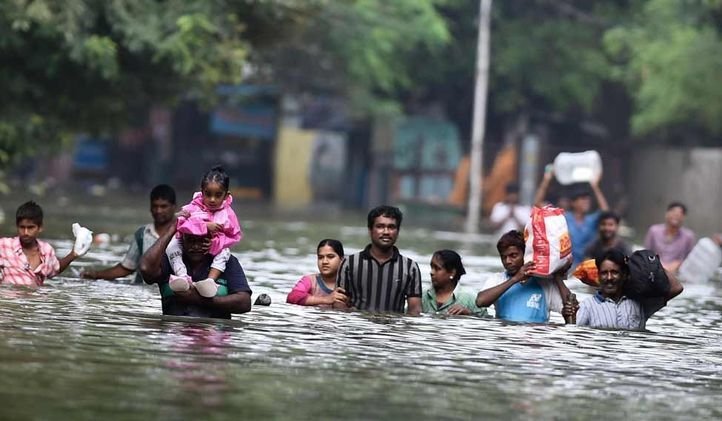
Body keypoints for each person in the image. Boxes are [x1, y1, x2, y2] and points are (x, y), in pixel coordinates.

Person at [139, 215, 252, 319]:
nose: (196, 246)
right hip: (175, 335)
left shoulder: (227, 261)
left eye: (202, 240)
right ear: (182, 239)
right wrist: (172, 229)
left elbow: (244, 303)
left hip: (213, 337)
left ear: (211, 239)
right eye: (191, 240)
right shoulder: (171, 259)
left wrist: (198, 299)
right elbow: (145, 269)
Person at [334, 205, 422, 315]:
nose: (386, 232)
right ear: (370, 230)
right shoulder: (349, 264)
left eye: (391, 227)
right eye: (380, 226)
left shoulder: (410, 268)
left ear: (398, 231)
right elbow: (339, 304)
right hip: (357, 329)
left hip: (393, 330)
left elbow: (414, 311)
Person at [565, 249, 683, 330]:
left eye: (615, 272)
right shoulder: (588, 306)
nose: (609, 278)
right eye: (604, 273)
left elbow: (677, 288)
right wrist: (569, 318)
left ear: (624, 275)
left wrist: (652, 264)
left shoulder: (640, 303)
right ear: (599, 276)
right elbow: (574, 333)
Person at [167, 166, 242, 292]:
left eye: (218, 195)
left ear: (226, 195)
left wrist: (216, 243)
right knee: (171, 246)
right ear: (202, 192)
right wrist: (203, 225)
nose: (212, 199)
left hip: (213, 247)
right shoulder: (193, 207)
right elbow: (178, 222)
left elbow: (234, 236)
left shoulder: (228, 214)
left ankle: (210, 281)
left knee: (225, 252)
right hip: (188, 244)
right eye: (208, 194)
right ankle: (182, 276)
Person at [82, 184, 177, 283]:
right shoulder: (142, 234)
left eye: (163, 206)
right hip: (142, 292)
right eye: (155, 206)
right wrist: (96, 275)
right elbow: (127, 268)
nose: (158, 211)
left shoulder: (183, 232)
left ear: (173, 207)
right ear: (150, 207)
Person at [476, 230, 571, 323]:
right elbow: (480, 301)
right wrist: (515, 279)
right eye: (503, 257)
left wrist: (558, 277)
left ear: (526, 255)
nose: (507, 261)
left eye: (513, 255)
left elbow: (572, 312)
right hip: (505, 336)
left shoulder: (545, 284)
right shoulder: (498, 279)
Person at [535, 167, 609, 267]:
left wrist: (595, 187)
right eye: (582, 199)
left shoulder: (591, 220)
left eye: (588, 200)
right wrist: (546, 180)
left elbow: (606, 212)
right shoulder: (563, 217)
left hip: (587, 268)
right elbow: (538, 205)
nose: (586, 202)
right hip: (565, 268)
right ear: (573, 203)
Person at [0, 201, 83, 286]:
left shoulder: (46, 250)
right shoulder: (5, 245)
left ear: (40, 228)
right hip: (9, 298)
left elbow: (55, 268)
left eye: (30, 227)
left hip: (37, 297)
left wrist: (73, 254)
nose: (25, 232)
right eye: (22, 227)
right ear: (17, 227)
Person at [422, 250, 486, 316]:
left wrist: (469, 314)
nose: (431, 272)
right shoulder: (422, 295)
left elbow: (486, 321)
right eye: (431, 267)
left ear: (452, 272)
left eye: (437, 268)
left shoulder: (470, 298)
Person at [287, 239, 347, 308]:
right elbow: (292, 297)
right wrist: (326, 299)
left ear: (342, 260)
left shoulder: (351, 283)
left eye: (330, 257)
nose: (324, 262)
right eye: (320, 257)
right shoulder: (310, 281)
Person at [644, 202, 696, 272]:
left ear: (684, 217)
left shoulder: (688, 236)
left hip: (677, 273)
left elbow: (690, 259)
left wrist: (679, 264)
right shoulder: (654, 231)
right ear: (666, 214)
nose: (676, 215)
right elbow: (646, 253)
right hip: (654, 270)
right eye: (673, 212)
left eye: (680, 213)